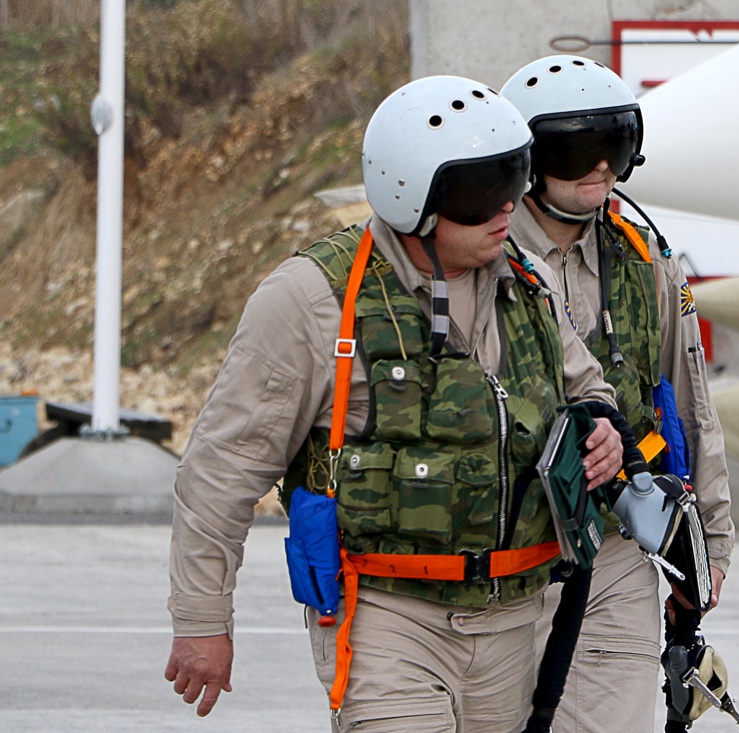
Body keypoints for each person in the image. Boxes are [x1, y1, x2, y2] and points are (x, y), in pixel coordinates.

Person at [163, 75, 627, 733]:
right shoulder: (314, 299)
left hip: (514, 621)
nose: (506, 206)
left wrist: (603, 430)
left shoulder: (530, 281)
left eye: (513, 178)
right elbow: (222, 471)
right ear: (414, 197)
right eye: (480, 190)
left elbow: (589, 391)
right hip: (385, 615)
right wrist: (202, 620)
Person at [501, 55, 736, 733]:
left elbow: (690, 406)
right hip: (501, 551)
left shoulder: (646, 263)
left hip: (612, 549)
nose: (601, 167)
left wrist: (708, 550)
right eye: (578, 149)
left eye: (616, 144)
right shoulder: (476, 255)